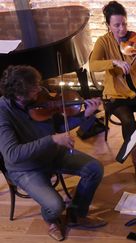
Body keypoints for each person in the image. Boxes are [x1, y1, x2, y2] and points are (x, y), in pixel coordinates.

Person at [0, 65, 107, 241]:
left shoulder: (39, 94)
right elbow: (12, 154)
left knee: (94, 168)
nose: (39, 91)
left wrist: (85, 115)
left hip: (53, 153)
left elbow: (58, 124)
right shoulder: (3, 113)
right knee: (55, 206)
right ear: (19, 96)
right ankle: (52, 220)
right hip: (26, 168)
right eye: (34, 90)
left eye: (37, 85)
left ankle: (77, 214)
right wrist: (53, 140)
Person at [90, 1, 136, 186]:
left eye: (124, 23)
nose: (122, 28)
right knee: (128, 122)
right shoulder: (103, 41)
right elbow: (92, 64)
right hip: (117, 94)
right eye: (116, 25)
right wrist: (113, 62)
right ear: (108, 25)